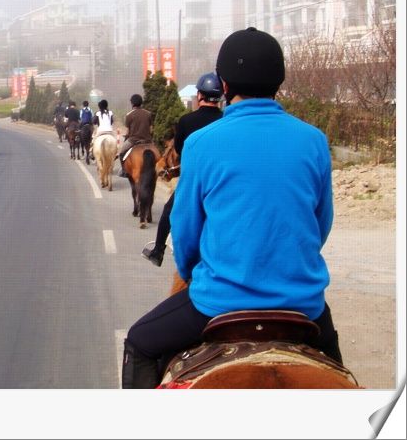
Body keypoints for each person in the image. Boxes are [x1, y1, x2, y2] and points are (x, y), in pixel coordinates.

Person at [122, 27, 343, 389]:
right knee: (343, 381)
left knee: (140, 342)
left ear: (223, 86)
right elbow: (320, 224)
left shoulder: (201, 143)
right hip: (303, 305)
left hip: (218, 302)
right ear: (279, 82)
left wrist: (195, 272)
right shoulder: (314, 140)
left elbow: (187, 230)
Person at [142, 72, 224, 267]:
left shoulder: (186, 121)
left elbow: (178, 150)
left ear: (200, 96)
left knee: (168, 212)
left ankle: (158, 251)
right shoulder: (225, 120)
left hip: (194, 182)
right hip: (222, 180)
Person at [118, 93, 153, 177]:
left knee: (121, 153)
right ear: (141, 103)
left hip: (133, 140)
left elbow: (128, 132)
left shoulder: (129, 115)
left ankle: (124, 170)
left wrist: (126, 137)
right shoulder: (148, 113)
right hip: (147, 140)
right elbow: (151, 130)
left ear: (132, 103)